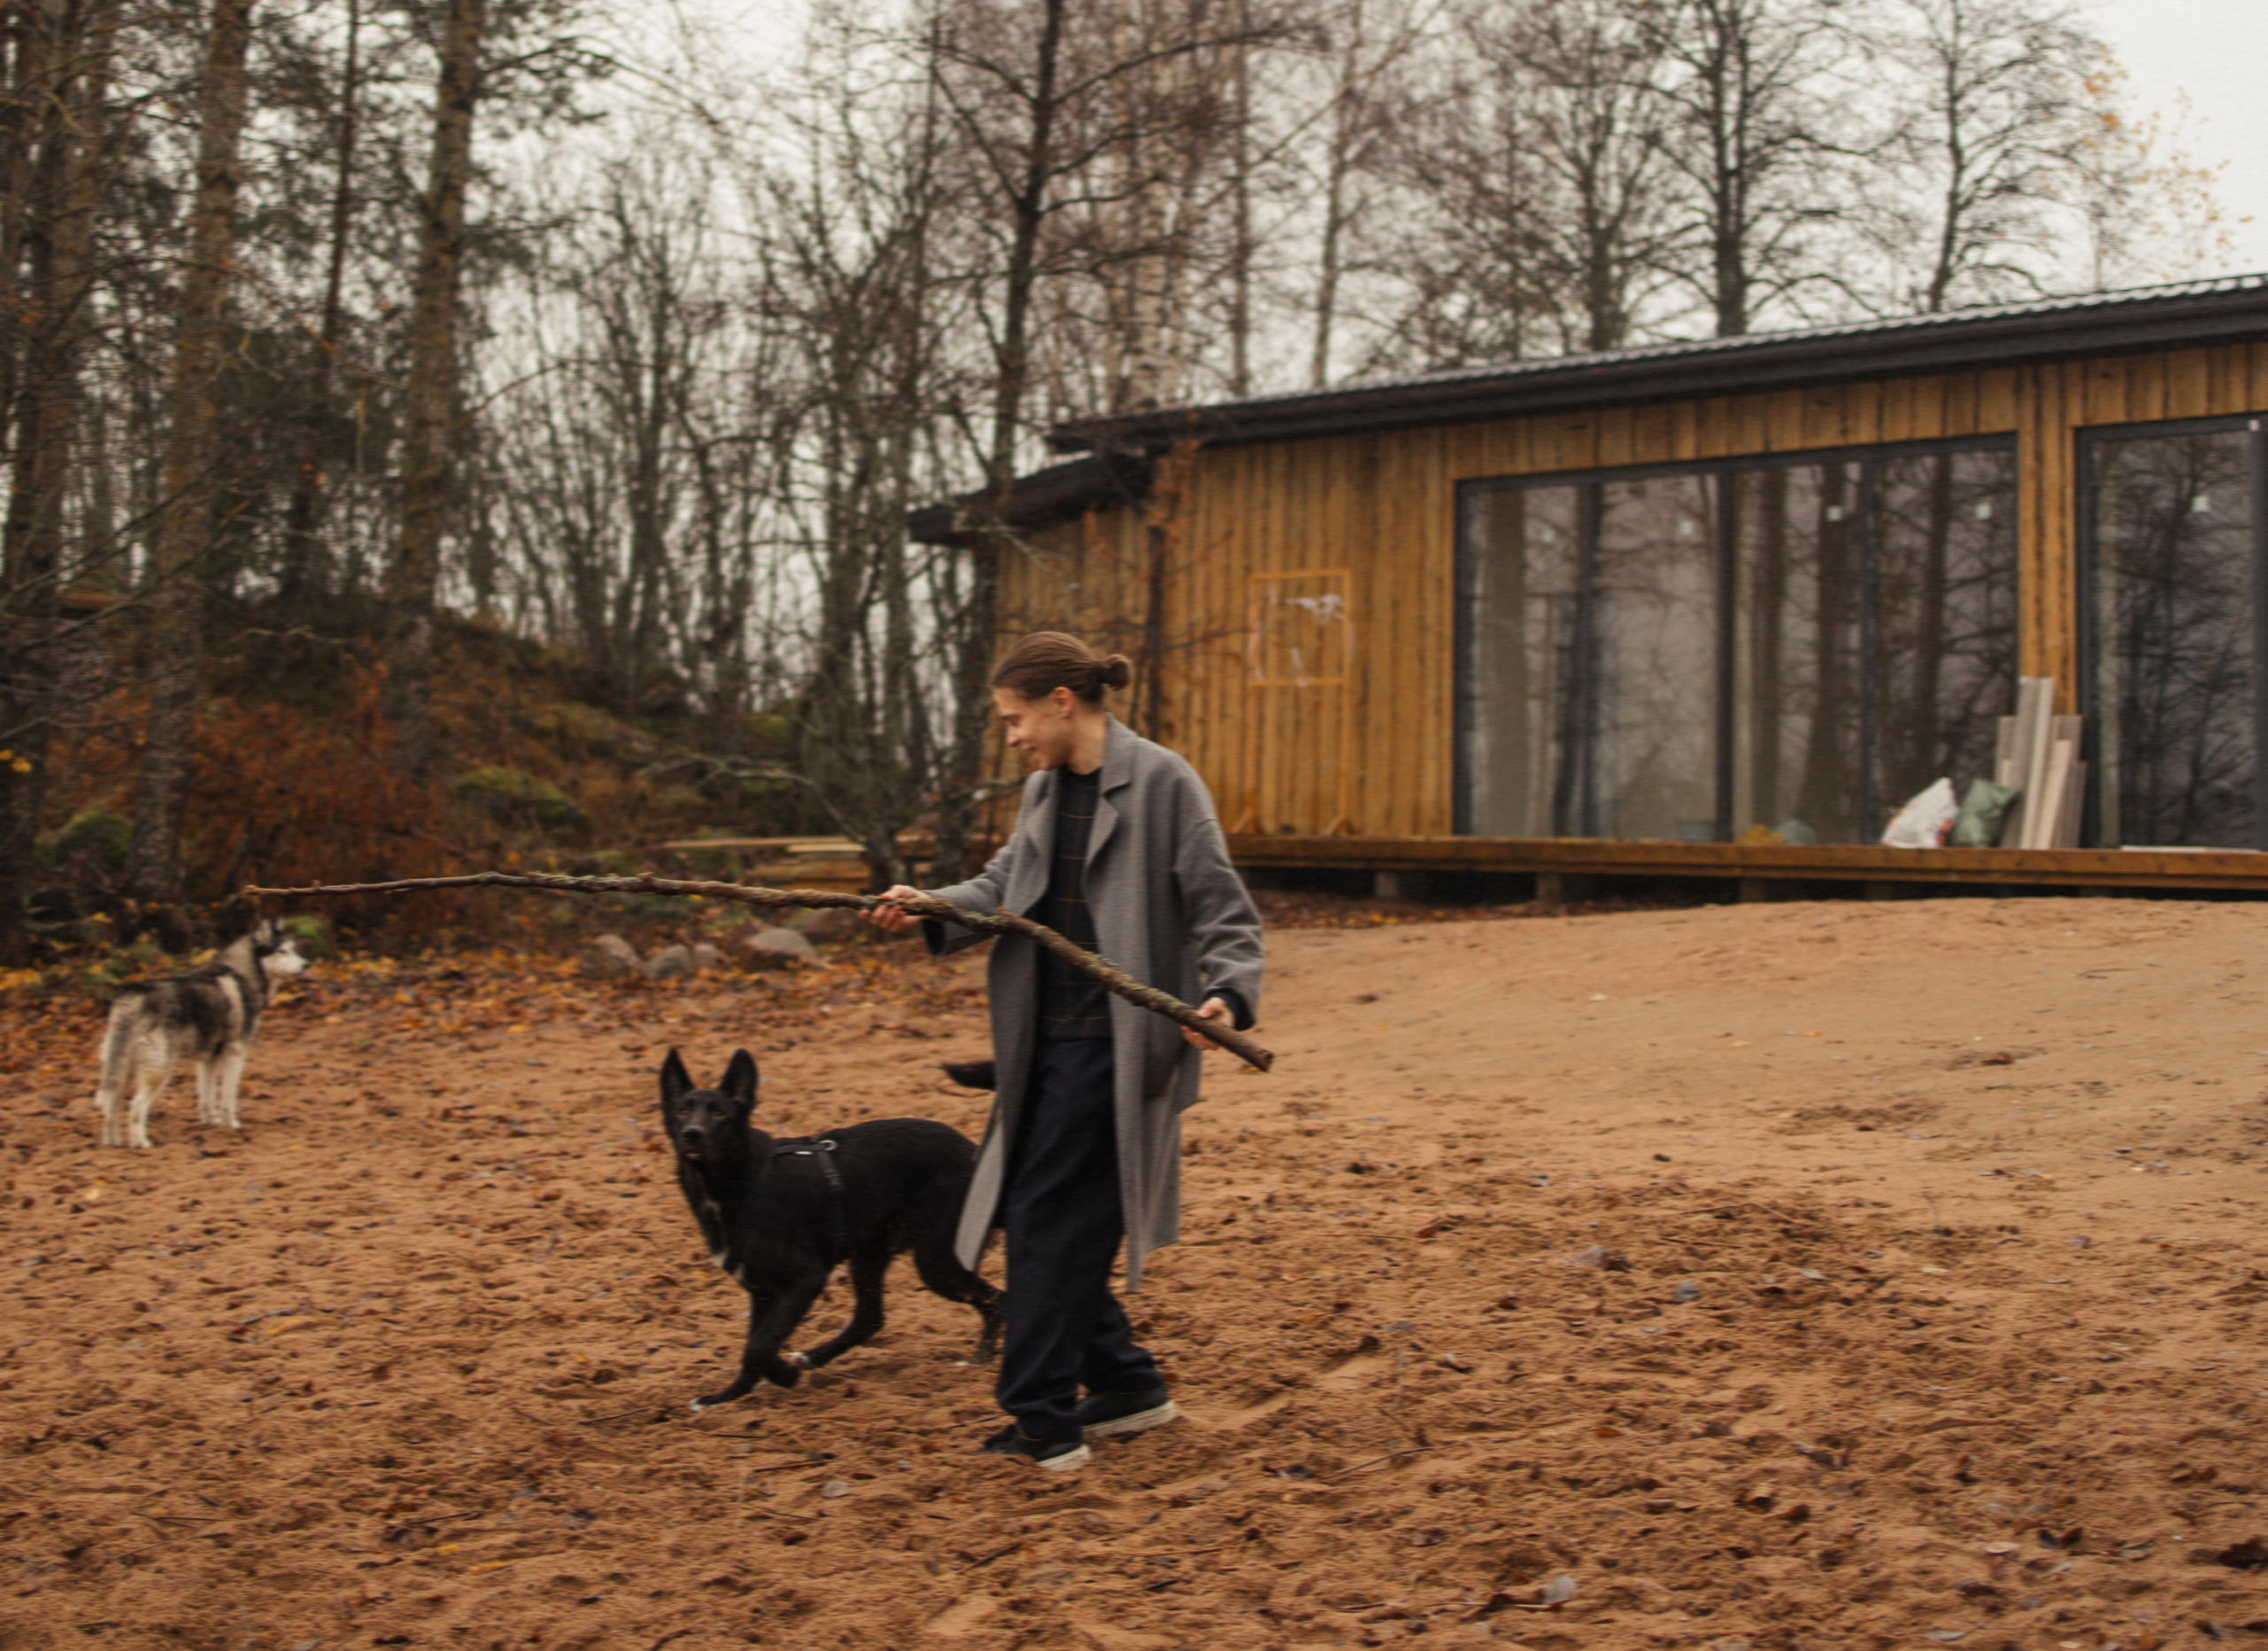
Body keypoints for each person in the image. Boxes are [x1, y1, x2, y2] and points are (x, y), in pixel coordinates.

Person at [867, 632, 1264, 1471]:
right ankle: (1125, 1383)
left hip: (1118, 1048)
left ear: (1061, 702)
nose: (1010, 738)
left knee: (1052, 1220)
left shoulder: (1163, 783)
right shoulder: (1046, 792)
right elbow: (1003, 890)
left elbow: (1222, 908)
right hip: (1042, 1041)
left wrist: (1227, 993)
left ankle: (1041, 1418)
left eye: (1015, 720)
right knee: (1036, 1208)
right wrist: (931, 903)